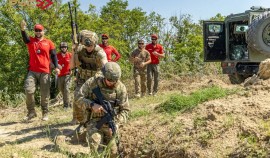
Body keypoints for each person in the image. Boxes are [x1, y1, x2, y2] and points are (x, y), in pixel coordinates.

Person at [75, 62, 129, 157]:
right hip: (94, 122)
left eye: (115, 80)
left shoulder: (121, 88)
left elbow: (125, 110)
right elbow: (78, 98)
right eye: (109, 80)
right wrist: (91, 105)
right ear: (104, 76)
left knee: (113, 153)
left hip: (111, 123)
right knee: (96, 146)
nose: (112, 82)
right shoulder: (93, 82)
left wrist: (117, 124)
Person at [20, 20, 60, 121]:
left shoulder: (49, 42)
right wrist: (23, 29)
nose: (38, 32)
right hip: (32, 70)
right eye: (36, 30)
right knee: (28, 90)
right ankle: (31, 112)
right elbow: (25, 39)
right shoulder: (31, 41)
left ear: (43, 31)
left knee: (44, 94)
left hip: (45, 71)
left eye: (40, 30)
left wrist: (56, 67)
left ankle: (45, 112)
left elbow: (54, 55)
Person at [70, 30, 108, 124]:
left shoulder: (100, 53)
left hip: (95, 80)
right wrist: (73, 51)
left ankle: (95, 119)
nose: (89, 48)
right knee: (77, 97)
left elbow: (106, 67)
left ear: (94, 44)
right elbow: (71, 66)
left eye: (90, 46)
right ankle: (77, 119)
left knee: (96, 100)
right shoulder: (80, 50)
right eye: (87, 46)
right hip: (82, 78)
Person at [57, 42, 72, 109]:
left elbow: (74, 63)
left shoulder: (70, 55)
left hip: (68, 75)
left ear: (67, 48)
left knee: (66, 89)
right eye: (62, 47)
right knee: (62, 90)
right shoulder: (57, 55)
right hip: (60, 75)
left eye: (65, 47)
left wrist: (72, 69)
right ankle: (69, 102)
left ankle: (66, 105)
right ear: (60, 48)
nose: (64, 48)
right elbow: (53, 63)